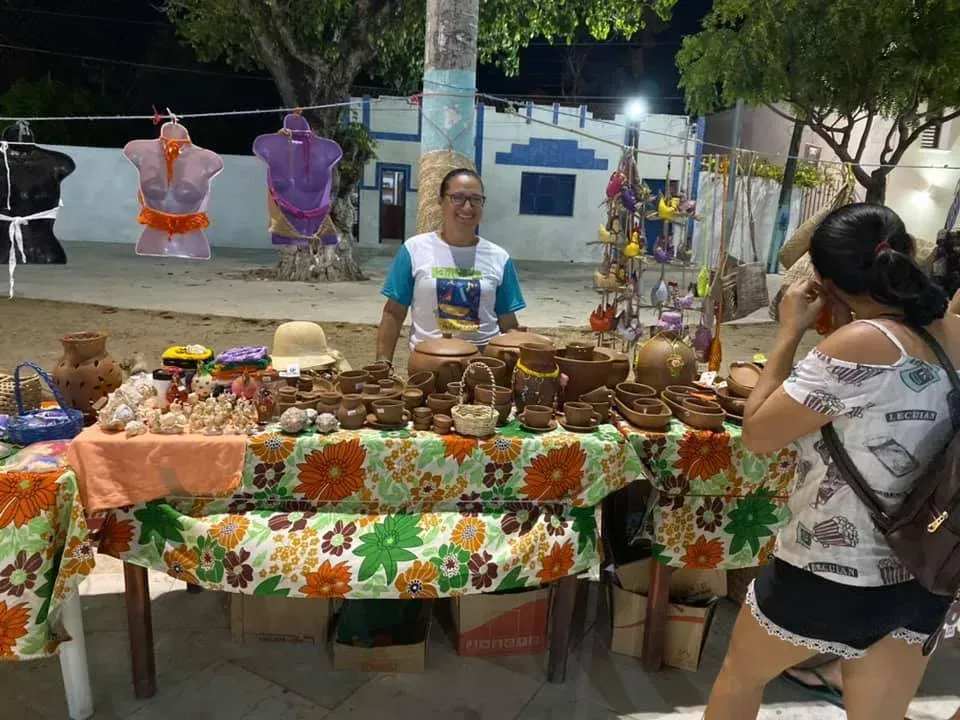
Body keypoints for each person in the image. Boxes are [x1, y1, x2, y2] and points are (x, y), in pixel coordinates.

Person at [706, 203, 957, 720]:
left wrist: (789, 331)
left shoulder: (861, 342)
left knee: (739, 680)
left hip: (832, 572)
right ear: (907, 253)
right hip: (926, 566)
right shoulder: (952, 330)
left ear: (823, 280)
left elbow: (757, 433)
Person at [375, 168, 526, 364]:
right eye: (458, 198)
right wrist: (383, 362)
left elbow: (507, 320)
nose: (467, 206)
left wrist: (523, 345)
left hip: (484, 366)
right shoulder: (414, 250)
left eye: (476, 199)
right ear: (441, 201)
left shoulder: (499, 257)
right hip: (429, 364)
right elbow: (393, 313)